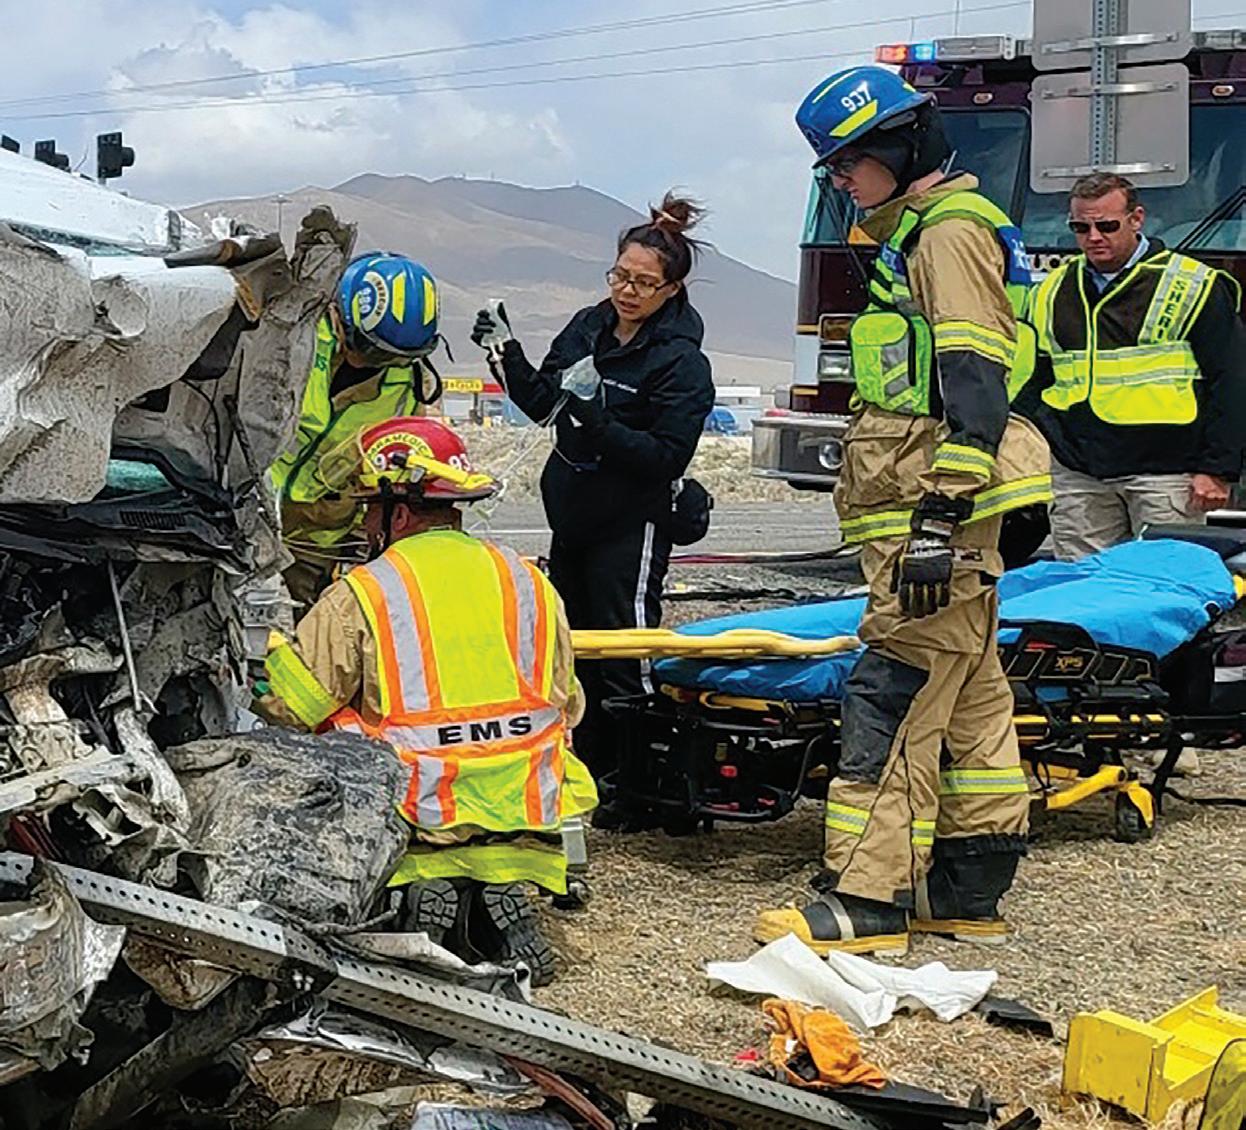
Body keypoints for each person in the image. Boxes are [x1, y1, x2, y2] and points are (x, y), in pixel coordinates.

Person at [755, 66, 1052, 955]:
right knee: (973, 702)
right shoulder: (933, 232)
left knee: (896, 691)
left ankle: (868, 898)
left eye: (850, 161)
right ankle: (966, 889)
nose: (841, 179)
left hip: (934, 516)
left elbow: (974, 376)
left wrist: (939, 517)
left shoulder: (947, 237)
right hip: (932, 513)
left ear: (899, 148)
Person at [255, 417, 597, 984]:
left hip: (417, 813)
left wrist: (260, 665)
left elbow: (294, 705)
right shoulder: (527, 581)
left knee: (328, 729)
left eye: (370, 510)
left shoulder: (366, 591)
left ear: (399, 514)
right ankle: (490, 893)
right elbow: (569, 700)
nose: (364, 524)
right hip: (523, 805)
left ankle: (419, 897)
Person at [470, 192, 716, 822]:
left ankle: (644, 787)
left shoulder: (681, 362)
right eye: (620, 276)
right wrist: (506, 355)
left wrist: (600, 422)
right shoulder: (588, 326)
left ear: (671, 290)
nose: (627, 291)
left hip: (631, 523)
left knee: (625, 651)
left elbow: (666, 456)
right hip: (572, 514)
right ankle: (589, 771)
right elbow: (544, 403)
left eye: (643, 283)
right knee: (571, 646)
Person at [1017, 172, 1246, 560]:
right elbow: (1038, 378)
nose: (1093, 237)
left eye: (1106, 226)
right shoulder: (1052, 289)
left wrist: (1218, 469)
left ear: (1136, 219)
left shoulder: (1191, 285)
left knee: (1164, 584)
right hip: (1078, 470)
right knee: (1084, 586)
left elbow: (1232, 379)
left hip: (1165, 470)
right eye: (1080, 228)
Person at [270, 253, 445, 606]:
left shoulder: (407, 385)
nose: (375, 364)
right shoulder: (292, 342)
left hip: (320, 542)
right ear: (339, 316)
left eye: (393, 358)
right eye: (370, 350)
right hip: (253, 520)